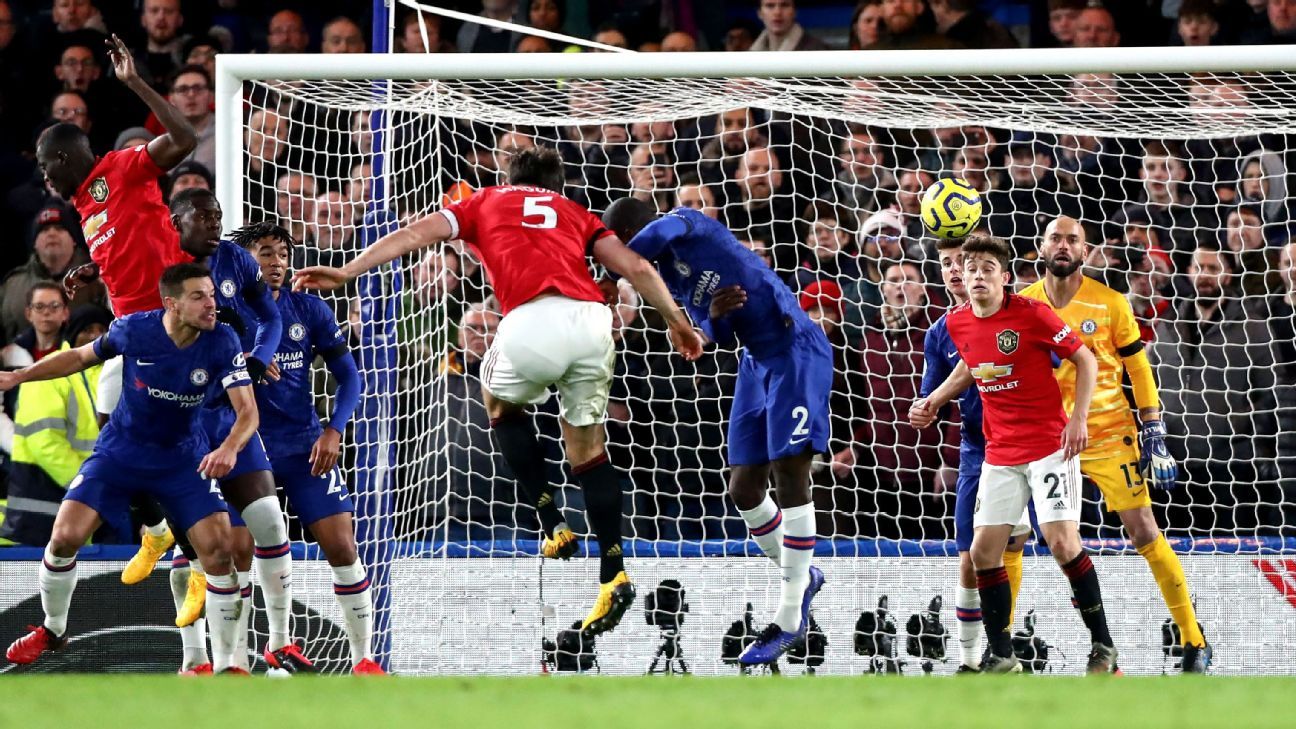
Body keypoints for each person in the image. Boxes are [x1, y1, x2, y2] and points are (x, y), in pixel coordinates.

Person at [293, 147, 703, 637]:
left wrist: (348, 271)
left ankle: (551, 521)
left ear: (510, 178)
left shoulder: (485, 200)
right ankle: (613, 574)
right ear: (558, 187)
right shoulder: (576, 213)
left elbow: (413, 235)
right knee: (589, 451)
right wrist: (679, 323)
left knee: (496, 399)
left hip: (531, 318)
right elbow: (637, 267)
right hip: (592, 322)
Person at [602, 196, 830, 665]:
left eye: (617, 245)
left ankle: (790, 616)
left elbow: (656, 236)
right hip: (754, 361)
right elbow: (716, 335)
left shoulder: (686, 222)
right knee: (743, 489)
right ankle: (802, 576)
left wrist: (612, 272)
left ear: (625, 238)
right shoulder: (668, 278)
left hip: (794, 348)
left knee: (790, 474)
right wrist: (717, 316)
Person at [4, 263, 253, 674]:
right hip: (121, 453)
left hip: (182, 459)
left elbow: (248, 413)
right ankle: (53, 630)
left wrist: (228, 448)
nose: (211, 304)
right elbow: (78, 357)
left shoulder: (222, 340)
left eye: (211, 294)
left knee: (219, 552)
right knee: (64, 538)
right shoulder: (135, 330)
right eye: (199, 297)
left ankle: (228, 665)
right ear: (171, 304)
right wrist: (21, 377)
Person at [911, 234, 1118, 674]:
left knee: (1062, 543)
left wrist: (1078, 419)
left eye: (988, 269)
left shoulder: (1032, 314)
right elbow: (970, 364)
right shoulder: (957, 324)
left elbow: (1085, 360)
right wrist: (933, 401)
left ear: (1005, 278)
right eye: (970, 269)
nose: (977, 276)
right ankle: (1002, 655)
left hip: (1049, 447)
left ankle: (1103, 645)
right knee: (983, 554)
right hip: (1000, 453)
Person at [120, 190, 302, 675]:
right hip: (181, 419)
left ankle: (279, 643)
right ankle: (197, 658)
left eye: (217, 216)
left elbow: (270, 316)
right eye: (203, 217)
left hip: (229, 414)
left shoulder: (236, 261)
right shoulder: (160, 261)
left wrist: (258, 358)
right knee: (201, 546)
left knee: (270, 523)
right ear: (176, 222)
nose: (214, 224)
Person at [1019, 216, 1211, 672]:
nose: (1063, 246)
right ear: (1040, 247)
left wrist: (1153, 428)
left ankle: (1194, 640)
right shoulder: (1024, 305)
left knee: (1143, 530)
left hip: (1108, 433)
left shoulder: (1110, 303)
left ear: (1084, 252)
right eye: (1055, 238)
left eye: (1072, 240)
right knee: (1023, 537)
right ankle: (1007, 647)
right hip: (1048, 440)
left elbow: (1138, 368)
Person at [233, 221, 380, 675]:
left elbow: (349, 376)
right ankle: (243, 656)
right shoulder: (225, 312)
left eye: (282, 254)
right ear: (242, 261)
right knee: (235, 556)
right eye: (265, 253)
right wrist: (244, 363)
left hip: (303, 446)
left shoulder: (309, 309)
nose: (276, 263)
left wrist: (334, 430)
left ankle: (364, 660)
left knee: (343, 547)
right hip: (244, 449)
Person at [38, 35, 195, 422]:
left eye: (45, 166)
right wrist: (96, 268)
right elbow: (129, 239)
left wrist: (135, 83)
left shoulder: (122, 167)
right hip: (131, 329)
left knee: (188, 426)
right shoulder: (82, 204)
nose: (45, 177)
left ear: (63, 157)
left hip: (174, 319)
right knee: (109, 420)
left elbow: (184, 139)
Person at [919, 236, 1029, 672]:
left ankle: (1007, 647)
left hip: (1028, 446)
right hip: (976, 451)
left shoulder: (1018, 316)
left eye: (960, 261)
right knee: (969, 557)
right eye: (946, 263)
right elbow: (931, 394)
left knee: (1045, 547)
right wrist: (924, 407)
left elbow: (1056, 367)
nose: (953, 269)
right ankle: (970, 661)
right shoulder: (939, 333)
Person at [0, 303, 109, 547]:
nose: (95, 335)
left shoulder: (113, 371)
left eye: (101, 329)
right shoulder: (48, 370)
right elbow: (44, 442)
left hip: (97, 501)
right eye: (87, 329)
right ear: (72, 333)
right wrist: (88, 486)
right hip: (43, 507)